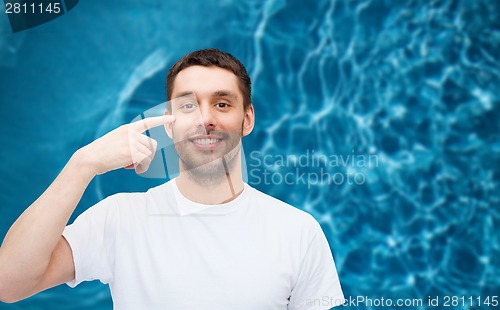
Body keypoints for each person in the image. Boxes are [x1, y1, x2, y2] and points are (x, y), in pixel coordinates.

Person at [0, 48, 344, 309]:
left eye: (222, 104)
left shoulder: (298, 231)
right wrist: (82, 163)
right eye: (188, 106)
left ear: (247, 119)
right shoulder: (120, 219)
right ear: (169, 121)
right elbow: (9, 283)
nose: (205, 119)